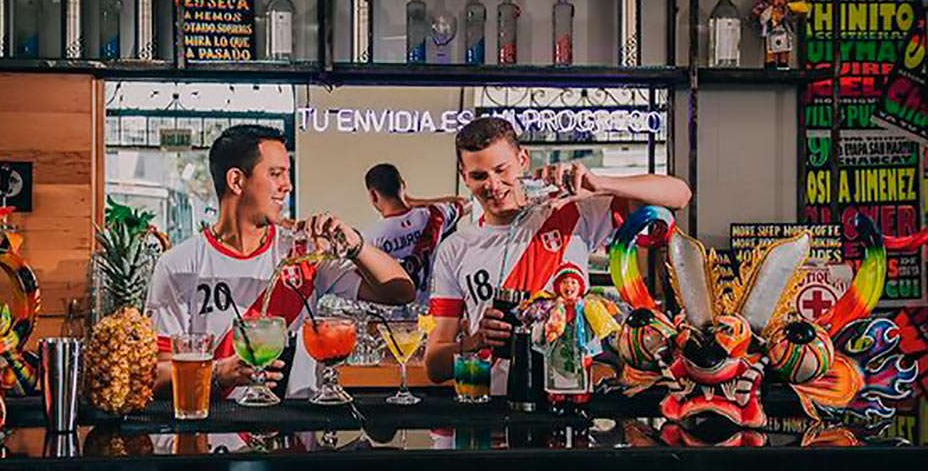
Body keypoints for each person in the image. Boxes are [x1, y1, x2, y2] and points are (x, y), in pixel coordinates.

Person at [424, 116, 692, 392]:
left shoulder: (568, 212)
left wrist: (600, 184)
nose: (493, 185)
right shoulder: (455, 248)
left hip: (567, 400)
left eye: (501, 170)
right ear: (464, 176)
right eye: (479, 176)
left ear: (523, 160)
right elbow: (434, 366)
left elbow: (679, 194)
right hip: (491, 404)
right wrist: (475, 340)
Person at [147, 125, 415, 399]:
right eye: (276, 174)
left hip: (296, 429)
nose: (287, 186)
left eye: (287, 174)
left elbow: (400, 291)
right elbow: (155, 373)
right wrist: (218, 372)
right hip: (213, 434)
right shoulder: (178, 265)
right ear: (237, 181)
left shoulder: (303, 252)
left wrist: (355, 244)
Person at [363, 162, 471, 306]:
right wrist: (411, 202)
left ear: (373, 195)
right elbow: (465, 203)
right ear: (403, 185)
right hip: (429, 312)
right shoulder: (435, 215)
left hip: (392, 319)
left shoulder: (370, 239)